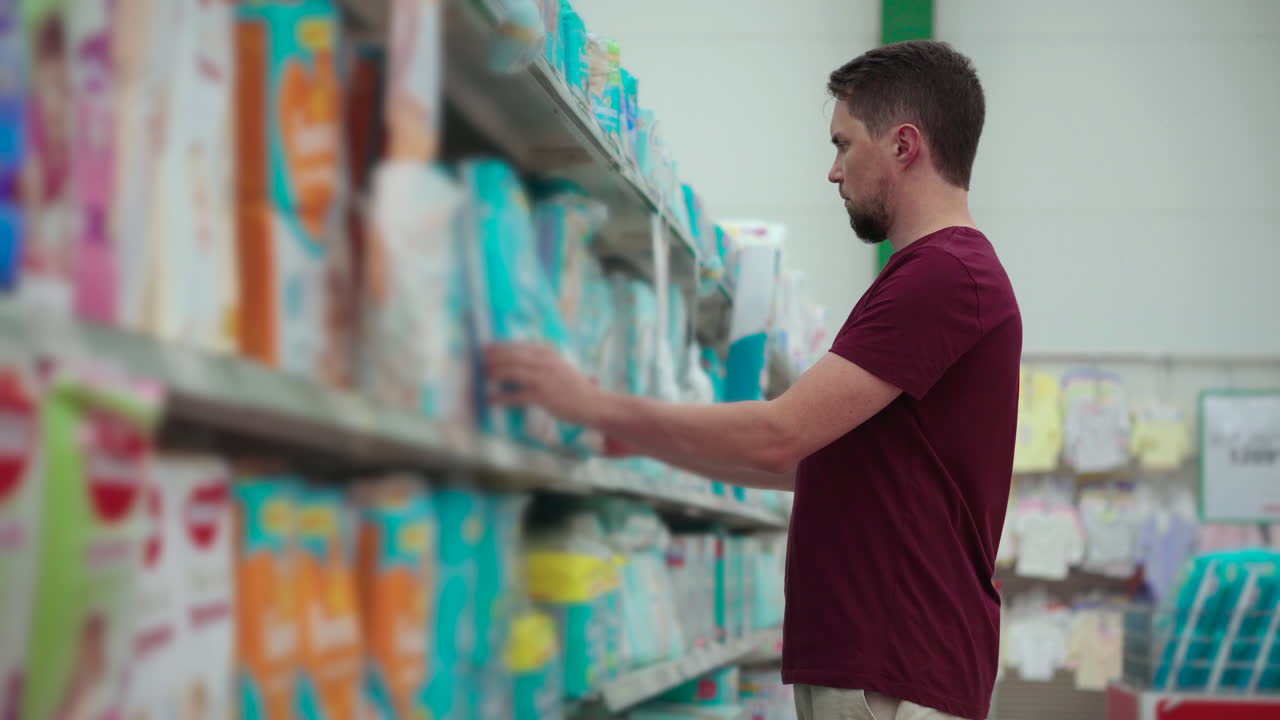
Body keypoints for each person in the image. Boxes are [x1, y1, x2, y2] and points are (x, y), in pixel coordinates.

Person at [487, 39, 1020, 720]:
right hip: (881, 665)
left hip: (894, 673)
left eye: (843, 143)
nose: (833, 172)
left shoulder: (944, 276)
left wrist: (592, 405)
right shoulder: (936, 276)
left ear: (904, 146)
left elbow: (779, 434)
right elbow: (813, 462)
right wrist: (643, 440)